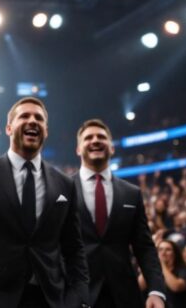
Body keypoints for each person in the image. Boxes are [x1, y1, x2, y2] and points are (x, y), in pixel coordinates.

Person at [0, 96, 89, 308]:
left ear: (46, 131)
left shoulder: (65, 184)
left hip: (50, 298)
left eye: (39, 118)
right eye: (24, 116)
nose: (32, 121)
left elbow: (74, 249)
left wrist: (80, 298)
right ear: (9, 128)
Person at [73, 119, 166, 308]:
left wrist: (156, 290)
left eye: (101, 137)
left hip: (125, 295)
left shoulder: (132, 193)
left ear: (112, 148)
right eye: (88, 137)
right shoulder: (62, 189)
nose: (95, 140)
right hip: (76, 296)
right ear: (78, 149)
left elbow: (144, 246)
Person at [153, 240, 186, 308]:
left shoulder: (184, 270)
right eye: (160, 249)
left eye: (168, 250)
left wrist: (162, 264)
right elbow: (140, 286)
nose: (163, 253)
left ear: (175, 253)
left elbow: (176, 287)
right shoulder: (156, 271)